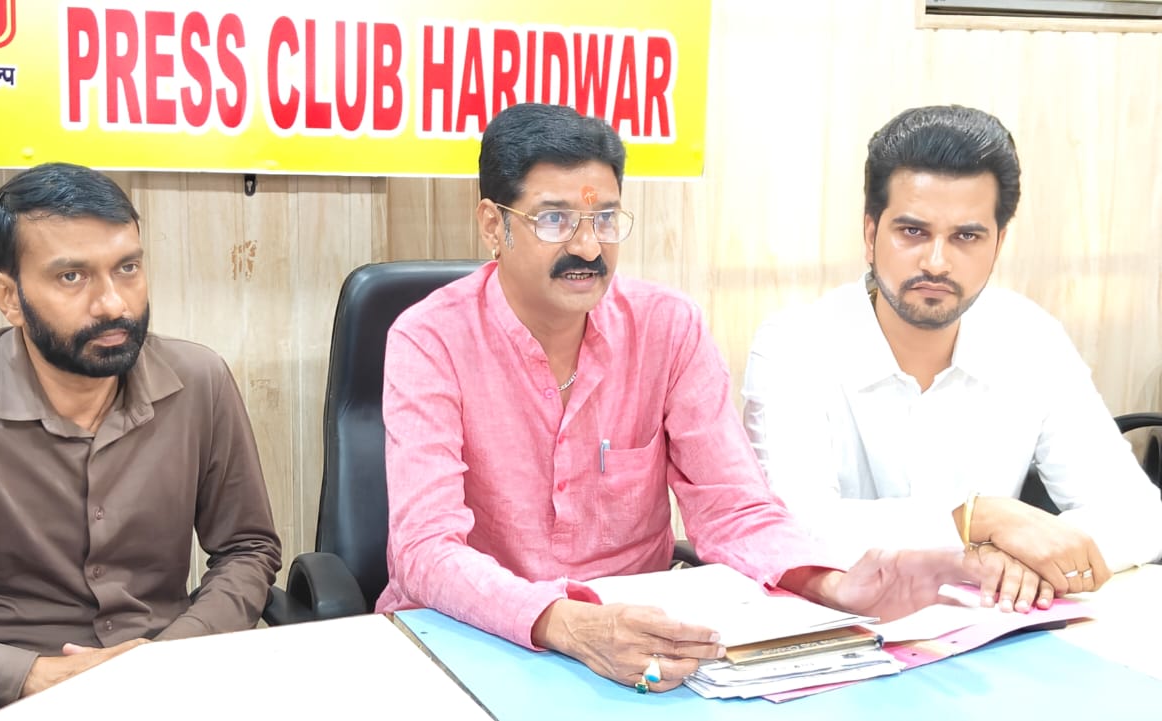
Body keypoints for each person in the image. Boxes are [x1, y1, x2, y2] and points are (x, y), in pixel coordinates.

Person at [376, 103, 988, 693]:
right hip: (467, 639)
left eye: (605, 219)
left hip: (633, 650)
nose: (588, 248)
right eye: (554, 220)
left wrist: (833, 586)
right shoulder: (429, 339)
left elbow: (733, 506)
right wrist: (566, 624)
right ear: (494, 224)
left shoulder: (667, 328)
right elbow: (424, 550)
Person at [0, 163, 282, 718]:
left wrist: (172, 654)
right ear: (8, 296)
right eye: (72, 276)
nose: (113, 304)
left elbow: (248, 549)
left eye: (128, 268)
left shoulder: (200, 382)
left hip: (166, 685)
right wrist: (25, 673)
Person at [741, 105, 1162, 616]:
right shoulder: (794, 345)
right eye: (912, 232)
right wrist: (974, 520)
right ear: (870, 234)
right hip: (843, 631)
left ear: (998, 243)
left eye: (966, 236)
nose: (936, 262)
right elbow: (792, 526)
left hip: (992, 629)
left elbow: (1138, 514)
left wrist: (1022, 560)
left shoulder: (1030, 339)